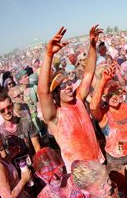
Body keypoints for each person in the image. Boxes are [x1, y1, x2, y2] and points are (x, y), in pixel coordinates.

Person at [38, 26, 105, 172]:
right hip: (81, 175)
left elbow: (88, 73)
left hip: (98, 164)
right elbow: (43, 93)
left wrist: (92, 45)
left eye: (68, 83)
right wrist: (48, 55)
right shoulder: (55, 116)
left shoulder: (79, 99)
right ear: (55, 94)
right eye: (62, 86)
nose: (68, 87)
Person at [90, 66, 127, 197]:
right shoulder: (103, 114)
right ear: (104, 97)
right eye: (109, 94)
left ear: (122, 93)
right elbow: (93, 107)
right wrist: (103, 80)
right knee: (120, 190)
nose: (114, 97)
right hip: (115, 159)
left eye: (117, 93)